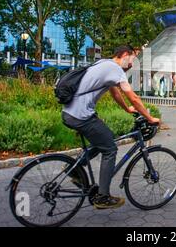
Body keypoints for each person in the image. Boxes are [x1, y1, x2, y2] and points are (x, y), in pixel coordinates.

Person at [62, 45, 160, 209]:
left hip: (70, 113)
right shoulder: (115, 69)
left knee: (106, 137)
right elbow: (134, 98)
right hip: (81, 115)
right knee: (110, 149)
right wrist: (150, 118)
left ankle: (74, 168)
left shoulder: (104, 64)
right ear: (124, 54)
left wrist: (127, 109)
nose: (131, 64)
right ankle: (103, 197)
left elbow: (115, 92)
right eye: (132, 59)